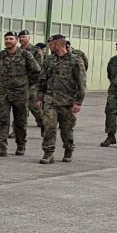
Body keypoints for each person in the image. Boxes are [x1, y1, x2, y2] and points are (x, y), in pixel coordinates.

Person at [0, 31, 40, 157]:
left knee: (20, 122)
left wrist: (26, 84)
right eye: (6, 39)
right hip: (4, 94)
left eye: (11, 39)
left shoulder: (25, 54)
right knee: (3, 120)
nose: (8, 41)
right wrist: (3, 83)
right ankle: (1, 147)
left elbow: (36, 70)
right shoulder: (0, 55)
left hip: (21, 94)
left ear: (16, 40)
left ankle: (21, 145)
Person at [36, 34, 85, 164]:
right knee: (49, 127)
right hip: (50, 100)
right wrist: (39, 98)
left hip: (67, 101)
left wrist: (78, 102)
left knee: (66, 130)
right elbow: (42, 80)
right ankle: (48, 153)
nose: (49, 47)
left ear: (58, 45)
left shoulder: (75, 60)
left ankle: (68, 150)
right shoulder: (49, 60)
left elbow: (81, 83)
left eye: (51, 45)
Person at [18, 30, 45, 128]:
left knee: (34, 106)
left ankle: (44, 124)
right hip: (20, 83)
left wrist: (32, 81)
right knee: (20, 107)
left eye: (24, 37)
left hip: (32, 83)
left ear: (29, 38)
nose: (21, 39)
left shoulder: (36, 50)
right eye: (20, 37)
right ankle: (17, 130)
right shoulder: (17, 51)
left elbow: (39, 68)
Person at [102, 40, 117, 148]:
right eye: (116, 48)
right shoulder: (113, 60)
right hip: (114, 92)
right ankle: (111, 136)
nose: (116, 50)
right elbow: (109, 74)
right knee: (110, 112)